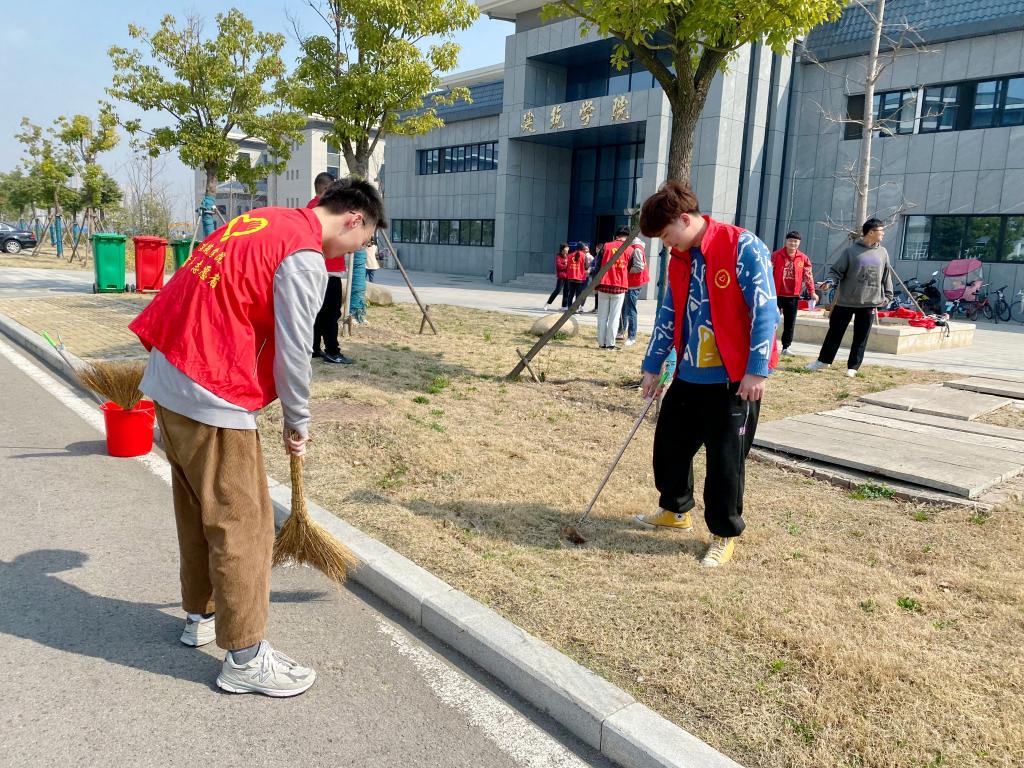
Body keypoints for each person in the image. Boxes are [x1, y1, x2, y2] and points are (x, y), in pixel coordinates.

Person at [129, 178, 385, 696]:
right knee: (244, 524)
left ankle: (200, 615)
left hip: (170, 373)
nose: (359, 250)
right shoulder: (304, 256)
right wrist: (298, 419)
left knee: (198, 509)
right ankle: (245, 657)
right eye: (366, 240)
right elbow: (295, 348)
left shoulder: (264, 220)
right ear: (354, 219)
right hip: (211, 387)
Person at [634, 181, 780, 568]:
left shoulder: (742, 246)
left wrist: (757, 370)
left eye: (666, 234)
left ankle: (723, 534)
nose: (666, 243)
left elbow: (766, 310)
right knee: (669, 447)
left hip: (733, 379)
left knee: (725, 463)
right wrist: (652, 366)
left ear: (685, 219)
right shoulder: (681, 258)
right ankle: (675, 511)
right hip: (689, 372)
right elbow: (669, 312)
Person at [806, 218, 893, 378]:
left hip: (868, 303)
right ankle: (823, 361)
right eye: (881, 231)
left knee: (861, 337)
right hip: (846, 301)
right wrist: (829, 283)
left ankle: (853, 366)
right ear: (871, 232)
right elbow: (835, 272)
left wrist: (888, 296)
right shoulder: (850, 251)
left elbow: (886, 275)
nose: (883, 233)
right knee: (834, 333)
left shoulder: (883, 252)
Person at [308, 172, 352, 365]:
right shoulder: (326, 210)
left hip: (318, 267)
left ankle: (313, 347)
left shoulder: (311, 208)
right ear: (326, 189)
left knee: (318, 311)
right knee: (331, 313)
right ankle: (332, 351)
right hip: (328, 269)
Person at [771, 231, 817, 354]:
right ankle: (769, 345)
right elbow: (768, 273)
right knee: (771, 321)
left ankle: (786, 347)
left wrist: (812, 292)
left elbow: (808, 276)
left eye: (795, 241)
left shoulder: (803, 258)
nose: (793, 243)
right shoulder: (775, 255)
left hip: (793, 296)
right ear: (786, 241)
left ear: (799, 243)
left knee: (790, 323)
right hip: (776, 295)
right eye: (790, 240)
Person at [595, 226, 635, 349]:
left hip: (604, 284)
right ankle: (610, 344)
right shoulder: (630, 250)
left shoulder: (606, 246)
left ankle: (601, 343)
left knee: (602, 316)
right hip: (619, 286)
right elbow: (630, 267)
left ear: (616, 235)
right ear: (628, 236)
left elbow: (598, 264)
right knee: (614, 317)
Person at [617, 235, 648, 346]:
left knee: (630, 310)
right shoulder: (631, 246)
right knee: (623, 308)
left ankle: (632, 336)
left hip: (634, 283)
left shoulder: (636, 248)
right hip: (628, 282)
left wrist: (624, 271)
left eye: (619, 238)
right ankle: (621, 331)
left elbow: (639, 267)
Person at [545, 243, 571, 311]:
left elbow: (570, 265)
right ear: (563, 249)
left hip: (568, 277)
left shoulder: (569, 256)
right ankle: (548, 303)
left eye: (568, 248)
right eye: (566, 248)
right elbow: (559, 266)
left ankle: (564, 307)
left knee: (566, 292)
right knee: (557, 290)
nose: (568, 249)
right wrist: (566, 266)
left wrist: (566, 266)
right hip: (561, 276)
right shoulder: (558, 256)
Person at [564, 242, 589, 310]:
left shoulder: (570, 255)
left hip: (571, 277)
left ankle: (569, 307)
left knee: (571, 294)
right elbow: (586, 267)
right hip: (580, 278)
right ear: (582, 248)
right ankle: (576, 308)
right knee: (578, 295)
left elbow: (567, 266)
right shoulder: (584, 256)